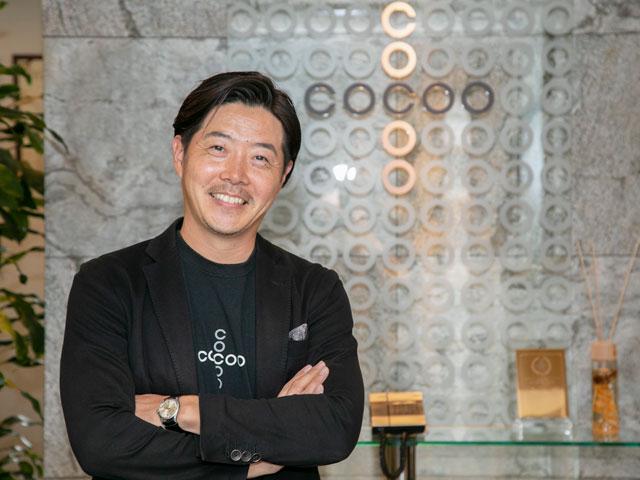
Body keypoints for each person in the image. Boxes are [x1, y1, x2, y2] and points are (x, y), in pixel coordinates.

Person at [60, 71, 364, 479]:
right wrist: (253, 460)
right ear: (180, 154)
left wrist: (178, 410)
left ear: (284, 175)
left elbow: (333, 429)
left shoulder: (314, 290)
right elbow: (102, 442)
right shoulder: (108, 283)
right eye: (218, 148)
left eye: (260, 158)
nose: (235, 175)